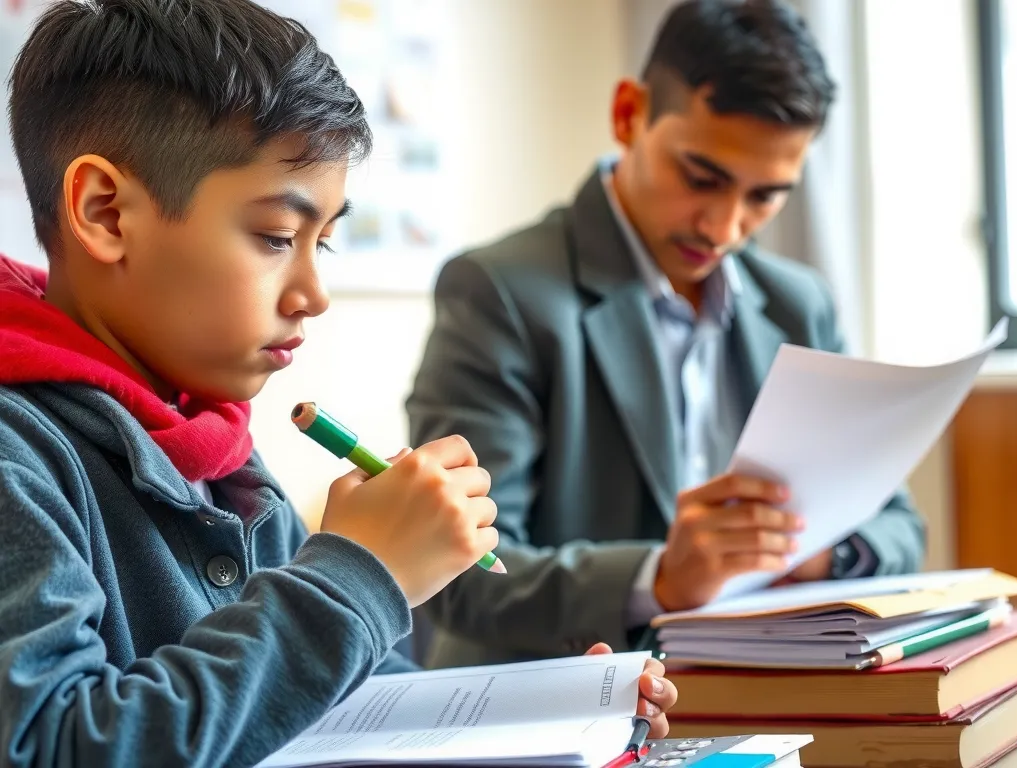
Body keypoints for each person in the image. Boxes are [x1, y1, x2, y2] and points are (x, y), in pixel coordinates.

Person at [0, 2, 676, 766]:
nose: (314, 295)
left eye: (322, 242)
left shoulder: (209, 441)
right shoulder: (17, 458)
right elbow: (55, 746)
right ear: (106, 213)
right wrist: (360, 572)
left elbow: (336, 708)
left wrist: (540, 711)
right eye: (277, 237)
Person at [407, 0, 926, 670]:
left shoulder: (801, 304)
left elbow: (900, 526)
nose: (725, 228)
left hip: (757, 689)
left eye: (765, 196)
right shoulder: (500, 291)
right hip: (553, 701)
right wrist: (658, 579)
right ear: (628, 114)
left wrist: (817, 552)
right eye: (701, 178)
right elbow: (460, 570)